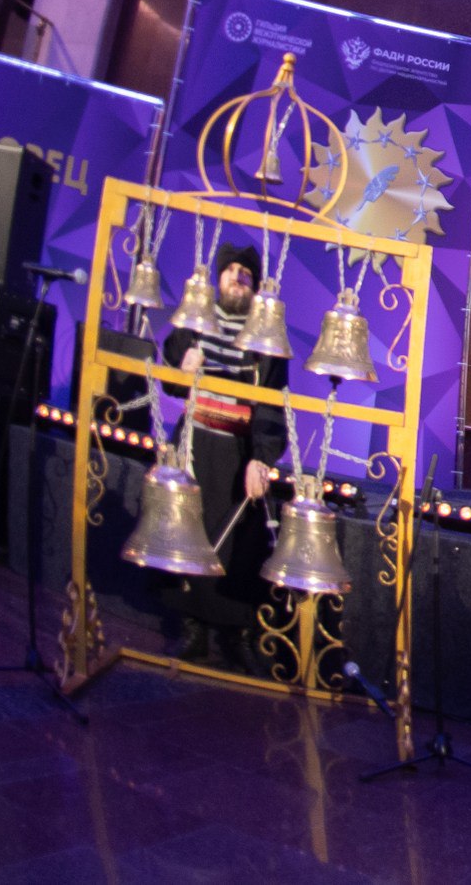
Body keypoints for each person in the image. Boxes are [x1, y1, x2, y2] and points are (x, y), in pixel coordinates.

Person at [159, 241, 288, 670]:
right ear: (218, 279)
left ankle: (236, 635)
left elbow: (272, 403)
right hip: (195, 444)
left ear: (254, 285)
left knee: (239, 545)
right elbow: (170, 380)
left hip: (238, 450)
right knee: (188, 532)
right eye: (231, 271)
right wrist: (182, 370)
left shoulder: (265, 338)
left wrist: (262, 458)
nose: (237, 277)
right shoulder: (196, 322)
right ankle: (193, 628)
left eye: (245, 274)